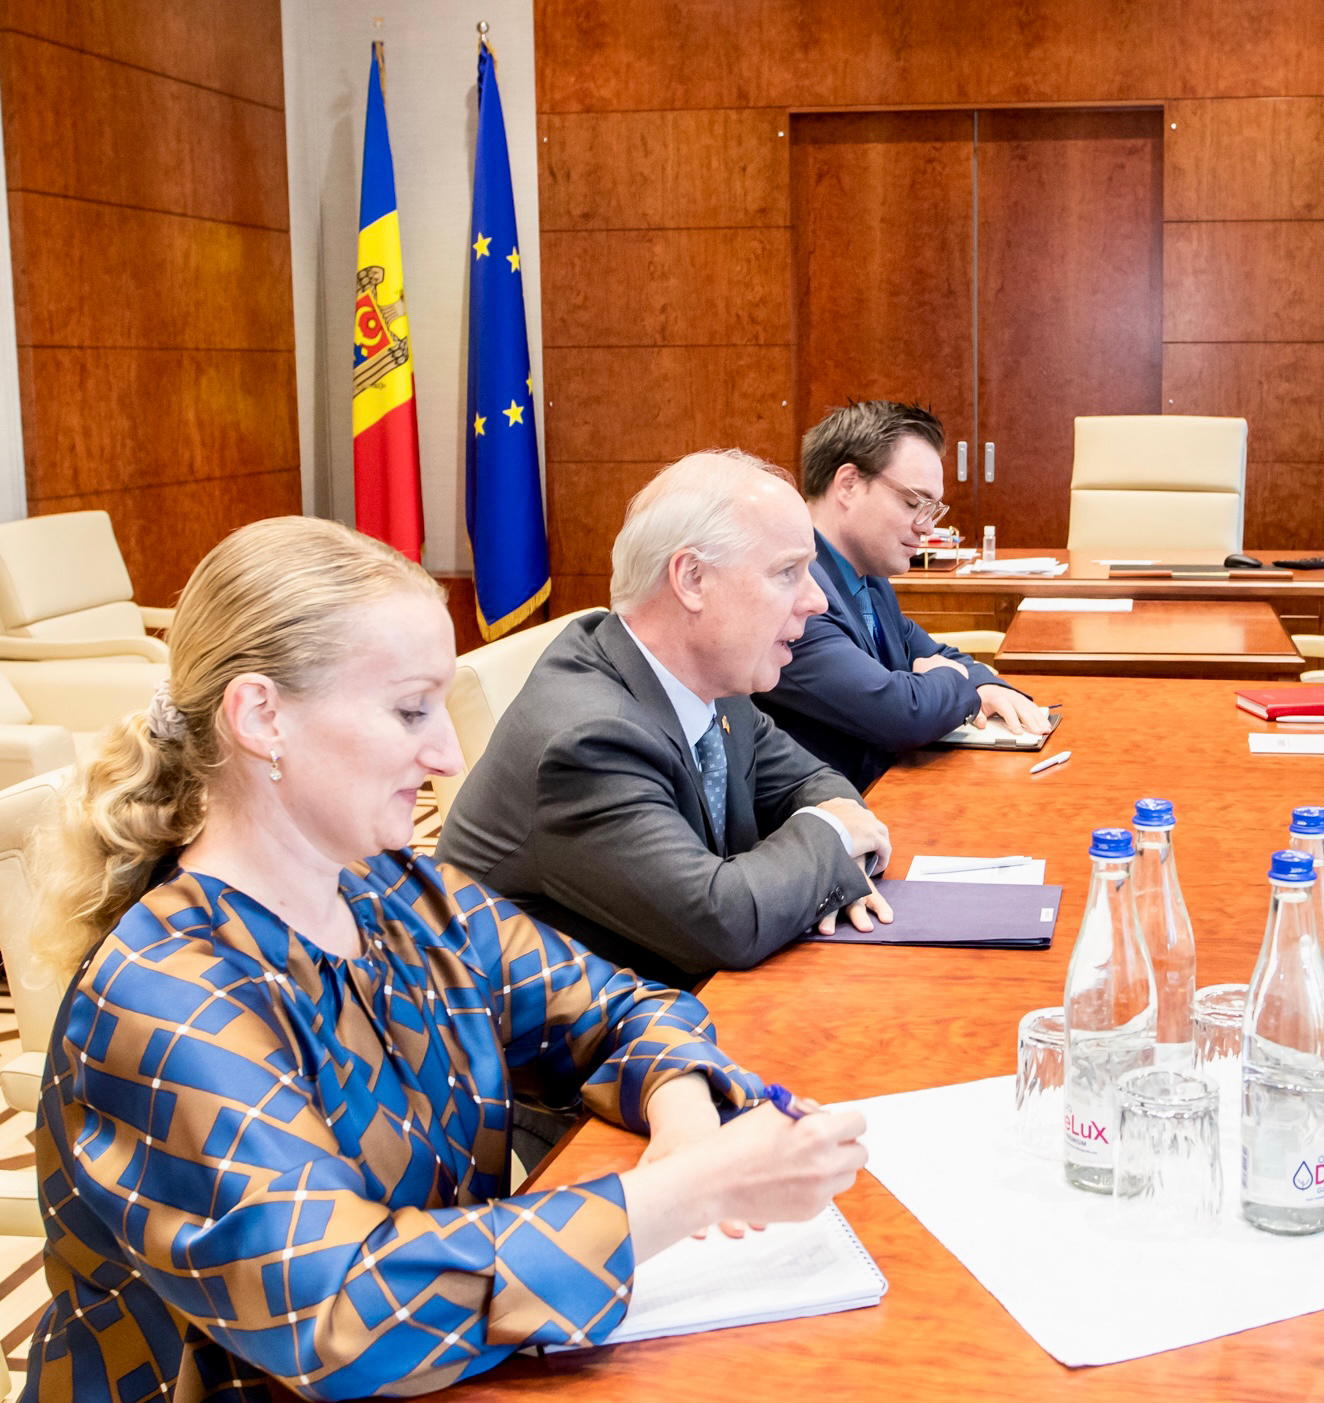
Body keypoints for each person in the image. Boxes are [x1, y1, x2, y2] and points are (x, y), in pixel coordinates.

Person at [25, 517, 868, 1401]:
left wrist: (684, 1115)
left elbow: (623, 1008)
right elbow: (342, 1312)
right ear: (262, 716)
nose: (448, 753)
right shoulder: (162, 990)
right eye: (408, 710)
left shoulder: (400, 891)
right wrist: (686, 1194)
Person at [439, 450, 896, 989]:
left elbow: (813, 783)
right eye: (787, 573)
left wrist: (823, 855)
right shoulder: (588, 741)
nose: (817, 601)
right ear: (693, 579)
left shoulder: (711, 679)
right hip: (564, 1033)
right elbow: (723, 921)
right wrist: (833, 841)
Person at [759, 401, 1051, 790]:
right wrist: (954, 680)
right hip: (836, 810)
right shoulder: (795, 592)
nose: (927, 528)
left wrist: (984, 684)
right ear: (848, 484)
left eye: (932, 510)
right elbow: (900, 714)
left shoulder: (869, 578)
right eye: (913, 503)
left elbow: (933, 652)